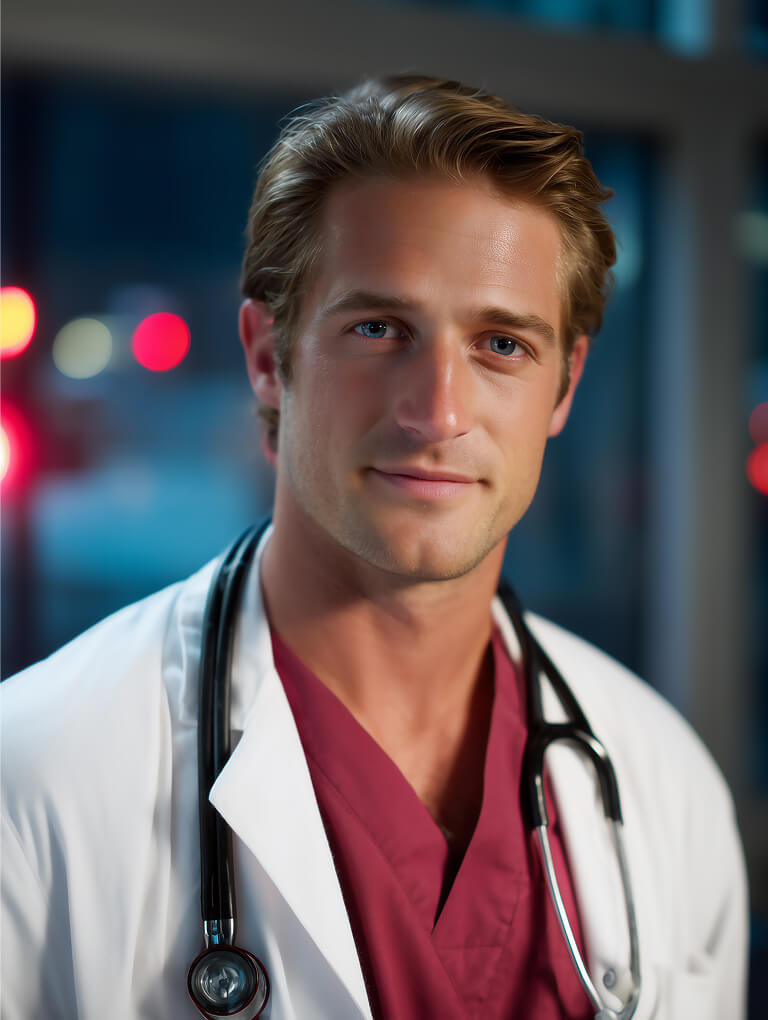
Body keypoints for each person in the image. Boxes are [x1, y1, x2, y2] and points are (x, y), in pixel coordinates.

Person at [1, 74, 748, 1020]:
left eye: (502, 345)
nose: (436, 412)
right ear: (270, 359)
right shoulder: (32, 783)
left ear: (564, 387)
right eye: (378, 328)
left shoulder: (663, 784)